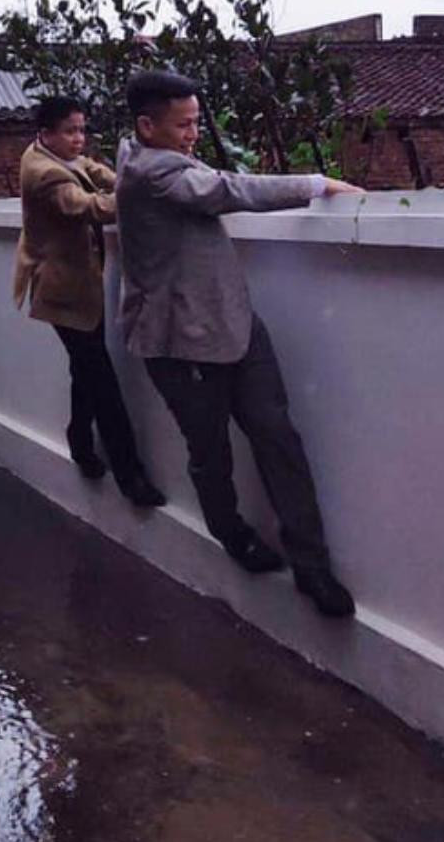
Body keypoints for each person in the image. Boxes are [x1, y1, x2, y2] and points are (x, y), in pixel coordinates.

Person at [115, 70, 362, 618]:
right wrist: (316, 184)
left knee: (279, 439)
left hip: (236, 325)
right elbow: (228, 189)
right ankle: (233, 534)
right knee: (211, 454)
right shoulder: (151, 171)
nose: (194, 133)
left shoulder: (158, 157)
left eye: (197, 121)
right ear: (146, 126)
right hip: (180, 342)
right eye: (184, 124)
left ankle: (312, 568)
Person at [14, 96, 164, 510]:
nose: (79, 138)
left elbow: (95, 171)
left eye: (82, 130)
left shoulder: (57, 154)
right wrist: (142, 197)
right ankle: (130, 475)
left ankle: (80, 440)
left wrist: (133, 179)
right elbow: (85, 206)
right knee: (102, 378)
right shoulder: (44, 172)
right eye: (70, 131)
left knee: (87, 365)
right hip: (63, 290)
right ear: (47, 134)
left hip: (77, 285)